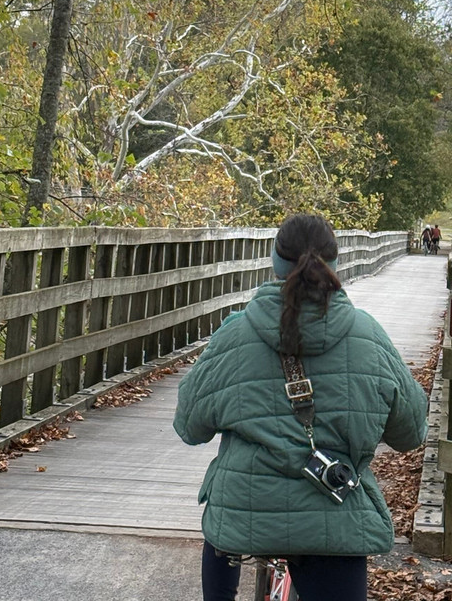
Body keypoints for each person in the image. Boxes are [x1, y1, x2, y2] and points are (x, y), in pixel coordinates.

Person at [173, 213, 428, 601]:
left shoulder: (235, 334)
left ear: (275, 261)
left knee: (224, 532)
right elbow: (410, 433)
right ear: (335, 264)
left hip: (244, 514)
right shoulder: (368, 336)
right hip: (333, 519)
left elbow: (189, 426)